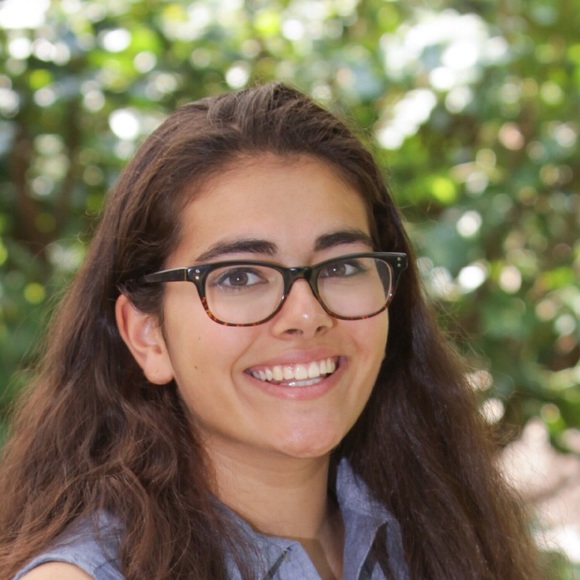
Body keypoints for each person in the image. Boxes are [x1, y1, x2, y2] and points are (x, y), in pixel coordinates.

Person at [0, 82, 543, 579]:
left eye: (341, 266)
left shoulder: (440, 539)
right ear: (148, 336)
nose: (306, 314)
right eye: (239, 276)